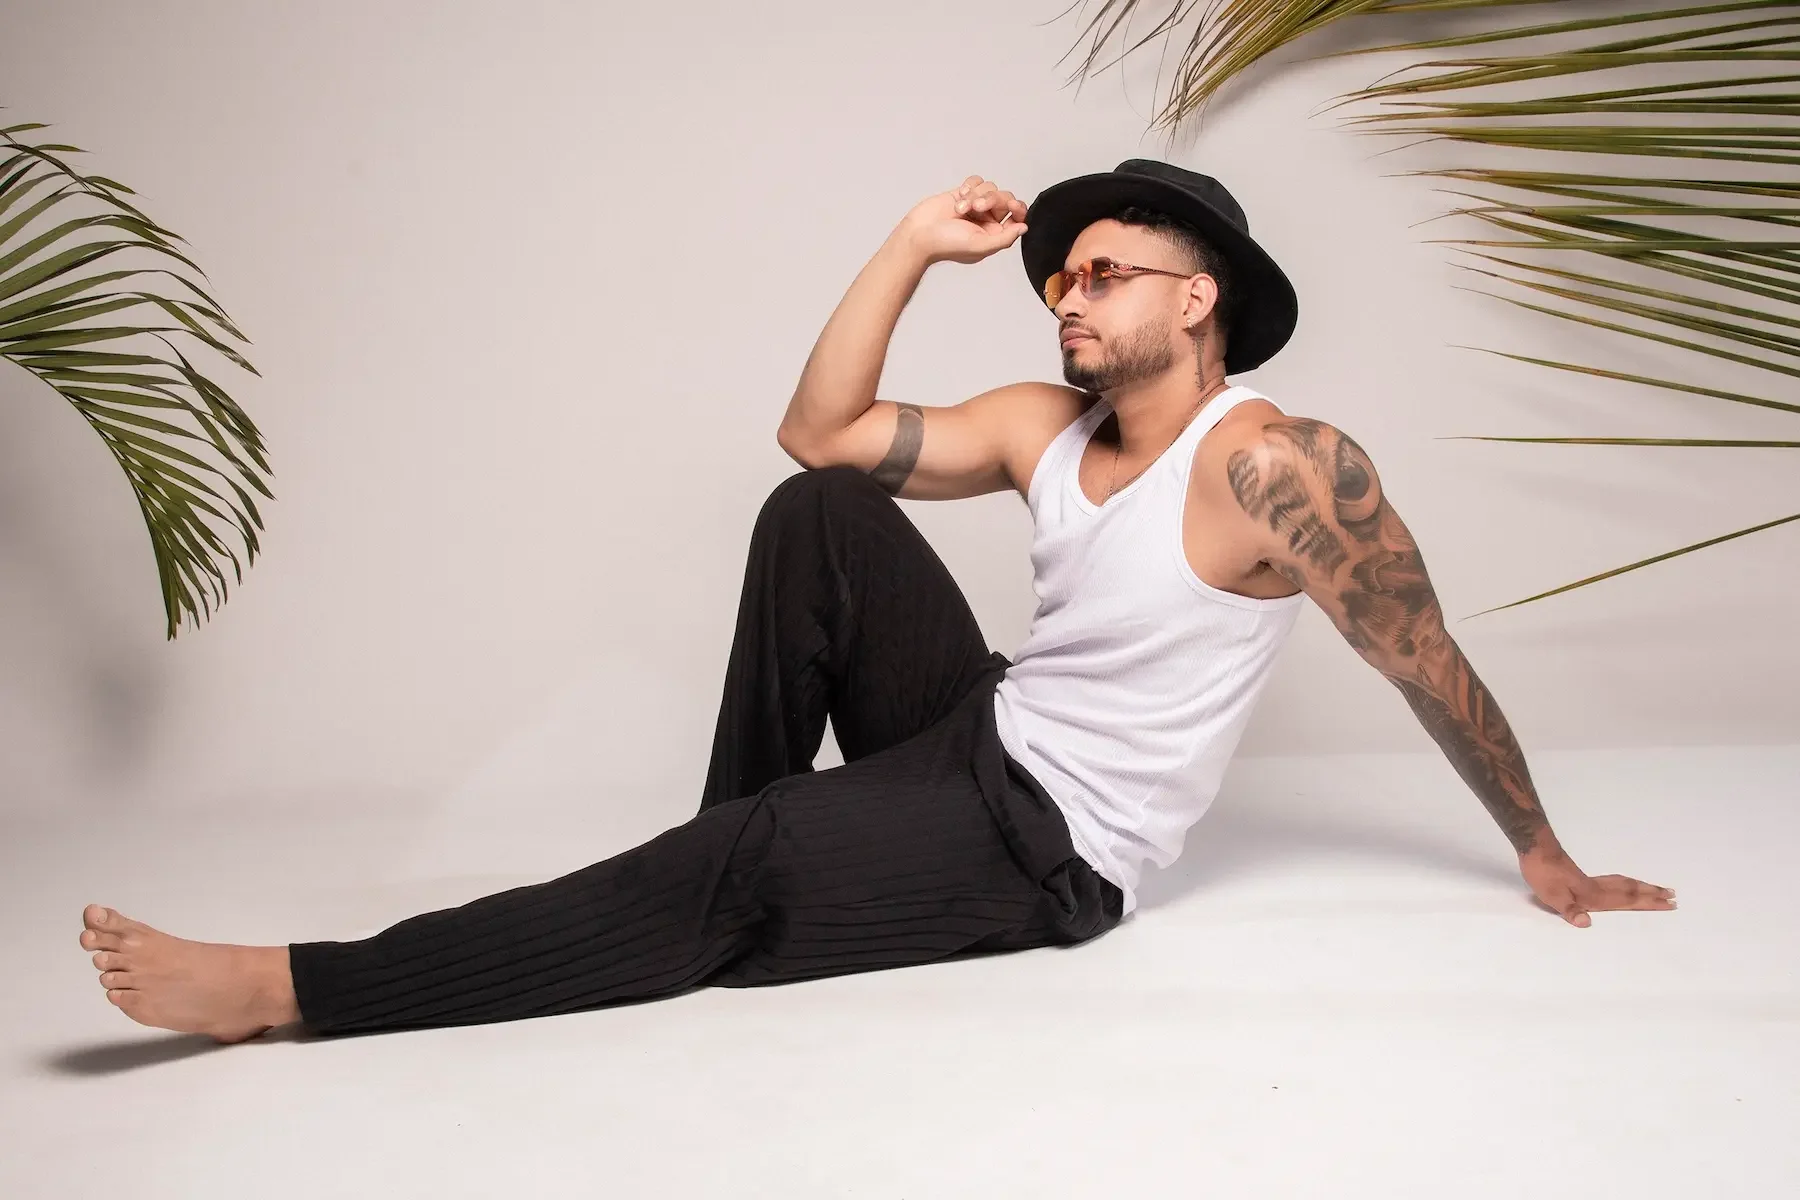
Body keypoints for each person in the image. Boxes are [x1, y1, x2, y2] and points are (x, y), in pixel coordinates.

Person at [80, 159, 1677, 1044]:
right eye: (1060, 276)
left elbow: (1424, 659)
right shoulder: (1047, 427)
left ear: (1199, 299)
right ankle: (710, 877)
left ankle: (293, 990)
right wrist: (911, 245)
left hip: (1054, 850)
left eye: (1104, 273)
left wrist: (1539, 849)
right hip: (985, 731)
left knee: (763, 850)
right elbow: (820, 433)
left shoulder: (1280, 466)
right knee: (821, 515)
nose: (1067, 295)